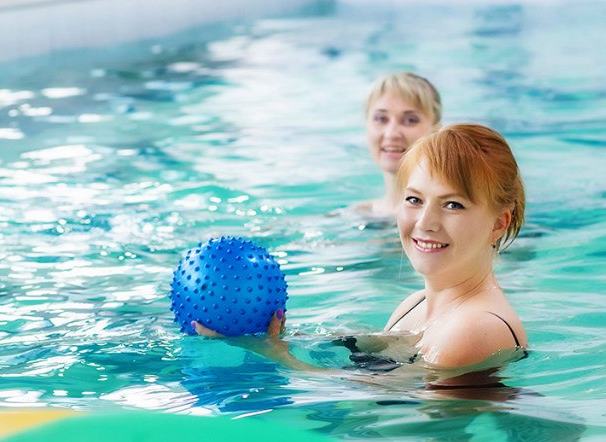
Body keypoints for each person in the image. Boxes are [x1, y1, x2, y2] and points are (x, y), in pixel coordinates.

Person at [200, 123, 527, 386]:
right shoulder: (415, 304)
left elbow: (373, 400)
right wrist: (265, 334)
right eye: (414, 200)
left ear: (498, 223)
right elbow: (368, 363)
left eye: (453, 205)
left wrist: (273, 355)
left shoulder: (477, 327)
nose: (425, 222)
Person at [356, 72, 441, 218]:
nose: (391, 134)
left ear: (436, 130)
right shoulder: (359, 214)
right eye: (381, 118)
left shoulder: (446, 217)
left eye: (410, 120)